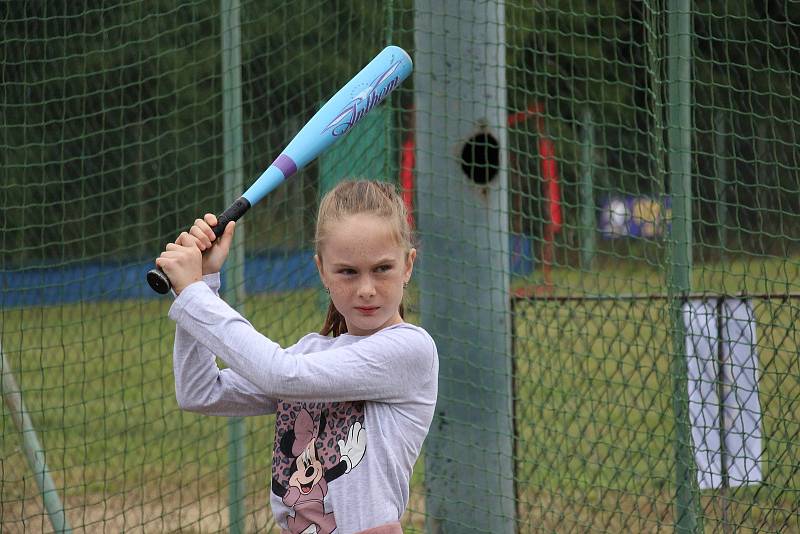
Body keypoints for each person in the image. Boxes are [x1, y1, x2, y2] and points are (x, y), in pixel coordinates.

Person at [156, 180, 439, 534]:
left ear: (408, 266)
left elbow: (282, 375)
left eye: (382, 269)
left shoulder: (410, 350)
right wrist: (206, 278)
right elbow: (200, 391)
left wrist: (195, 295)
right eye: (348, 272)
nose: (367, 289)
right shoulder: (311, 353)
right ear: (322, 270)